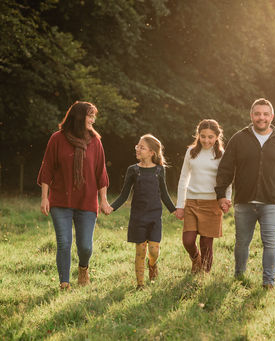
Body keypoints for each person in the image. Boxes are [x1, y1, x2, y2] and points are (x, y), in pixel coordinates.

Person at [215, 98, 275, 289]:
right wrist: (221, 194)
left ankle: (268, 282)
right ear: (251, 116)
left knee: (270, 242)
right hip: (244, 202)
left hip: (272, 202)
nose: (261, 118)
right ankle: (239, 277)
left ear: (272, 116)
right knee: (242, 242)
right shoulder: (239, 139)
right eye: (257, 114)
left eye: (265, 114)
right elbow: (225, 169)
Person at [37, 101, 111, 290]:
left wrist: (103, 200)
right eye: (90, 115)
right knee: (64, 242)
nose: (93, 119)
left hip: (86, 200)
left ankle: (83, 268)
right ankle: (64, 283)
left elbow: (101, 172)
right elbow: (47, 168)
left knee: (85, 246)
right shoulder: (57, 139)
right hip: (61, 199)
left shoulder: (95, 141)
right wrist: (45, 197)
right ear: (79, 117)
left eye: (94, 116)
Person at [110, 134, 176, 289]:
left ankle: (152, 264)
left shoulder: (159, 170)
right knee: (140, 250)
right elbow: (124, 194)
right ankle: (140, 284)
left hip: (154, 216)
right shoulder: (133, 170)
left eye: (142, 147)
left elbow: (165, 194)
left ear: (152, 152)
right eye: (137, 146)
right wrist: (111, 207)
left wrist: (175, 211)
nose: (137, 149)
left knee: (154, 250)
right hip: (138, 217)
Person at [175, 119, 232, 273]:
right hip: (192, 202)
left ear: (217, 137)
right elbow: (183, 178)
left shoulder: (221, 155)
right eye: (203, 136)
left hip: (212, 203)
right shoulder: (191, 152)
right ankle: (196, 259)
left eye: (210, 137)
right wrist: (180, 205)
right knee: (188, 240)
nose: (206, 140)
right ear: (198, 135)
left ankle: (204, 274)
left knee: (206, 243)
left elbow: (227, 180)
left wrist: (226, 198)